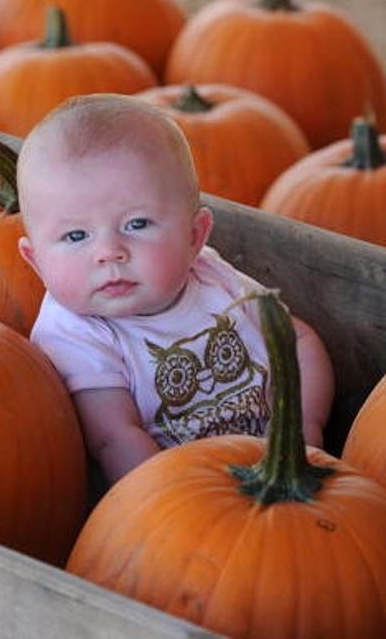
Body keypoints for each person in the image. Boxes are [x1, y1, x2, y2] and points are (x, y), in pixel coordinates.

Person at [17, 94, 334, 485]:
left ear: (194, 237)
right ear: (36, 262)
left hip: (279, 473)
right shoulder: (76, 335)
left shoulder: (214, 277)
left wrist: (305, 427)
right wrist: (183, 501)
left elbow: (299, 342)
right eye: (76, 235)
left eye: (137, 224)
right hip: (176, 503)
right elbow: (114, 439)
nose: (109, 252)